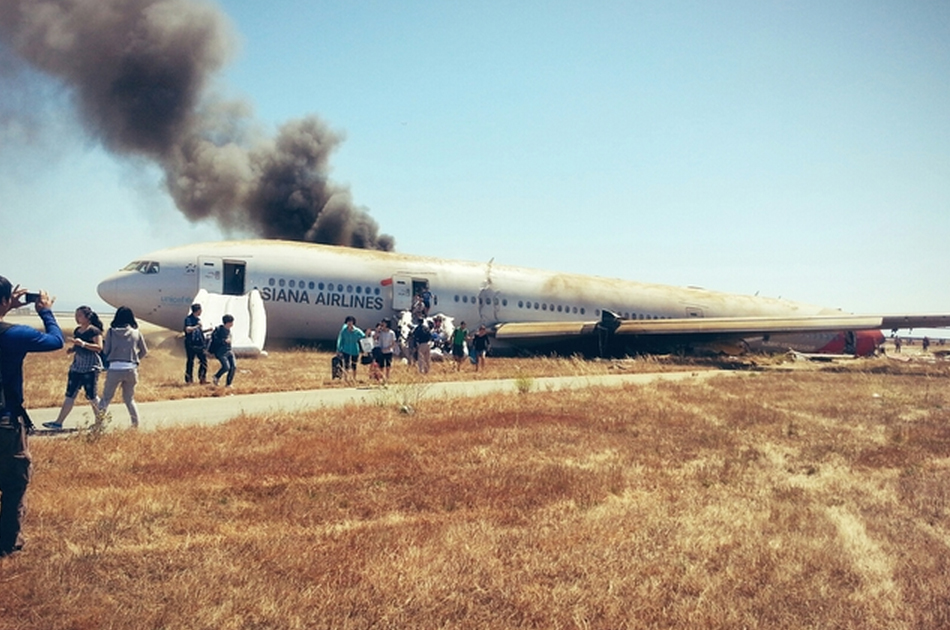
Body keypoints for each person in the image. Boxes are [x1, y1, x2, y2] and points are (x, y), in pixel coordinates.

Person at [0, 277, 64, 558]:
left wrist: (5, 307)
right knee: (14, 482)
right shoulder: (14, 335)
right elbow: (56, 341)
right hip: (5, 421)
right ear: (5, 300)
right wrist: (45, 311)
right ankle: (7, 544)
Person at [42, 306, 104, 430]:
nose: (77, 318)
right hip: (77, 366)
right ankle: (58, 422)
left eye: (80, 315)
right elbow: (78, 345)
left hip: (90, 367)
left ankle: (100, 422)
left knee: (92, 395)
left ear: (87, 317)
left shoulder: (94, 331)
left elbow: (99, 347)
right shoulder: (77, 331)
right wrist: (73, 349)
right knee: (70, 394)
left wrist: (83, 344)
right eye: (76, 315)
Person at [99, 306, 148, 429]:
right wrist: (135, 359)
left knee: (106, 399)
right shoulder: (136, 332)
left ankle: (99, 424)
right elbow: (144, 351)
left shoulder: (111, 332)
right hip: (131, 368)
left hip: (115, 368)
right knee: (129, 399)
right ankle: (135, 424)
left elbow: (106, 351)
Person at [183, 303, 208, 385]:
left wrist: (207, 330)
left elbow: (199, 331)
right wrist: (197, 326)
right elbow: (187, 329)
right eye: (200, 310)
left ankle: (202, 378)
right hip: (191, 344)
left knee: (203, 361)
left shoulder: (198, 319)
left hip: (200, 343)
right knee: (190, 361)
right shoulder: (188, 319)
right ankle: (189, 379)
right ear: (197, 310)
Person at [210, 314, 236, 389]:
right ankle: (216, 376)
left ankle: (228, 384)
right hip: (221, 352)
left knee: (233, 367)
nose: (232, 324)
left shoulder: (229, 330)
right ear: (227, 322)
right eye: (231, 322)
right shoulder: (219, 330)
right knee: (226, 367)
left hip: (229, 350)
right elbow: (215, 340)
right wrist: (224, 341)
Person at [336, 316, 366, 381]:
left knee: (354, 364)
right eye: (348, 321)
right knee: (346, 364)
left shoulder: (357, 330)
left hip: (355, 349)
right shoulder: (344, 331)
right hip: (346, 349)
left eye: (351, 321)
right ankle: (346, 378)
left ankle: (354, 378)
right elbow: (341, 340)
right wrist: (339, 349)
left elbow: (363, 336)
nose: (349, 323)